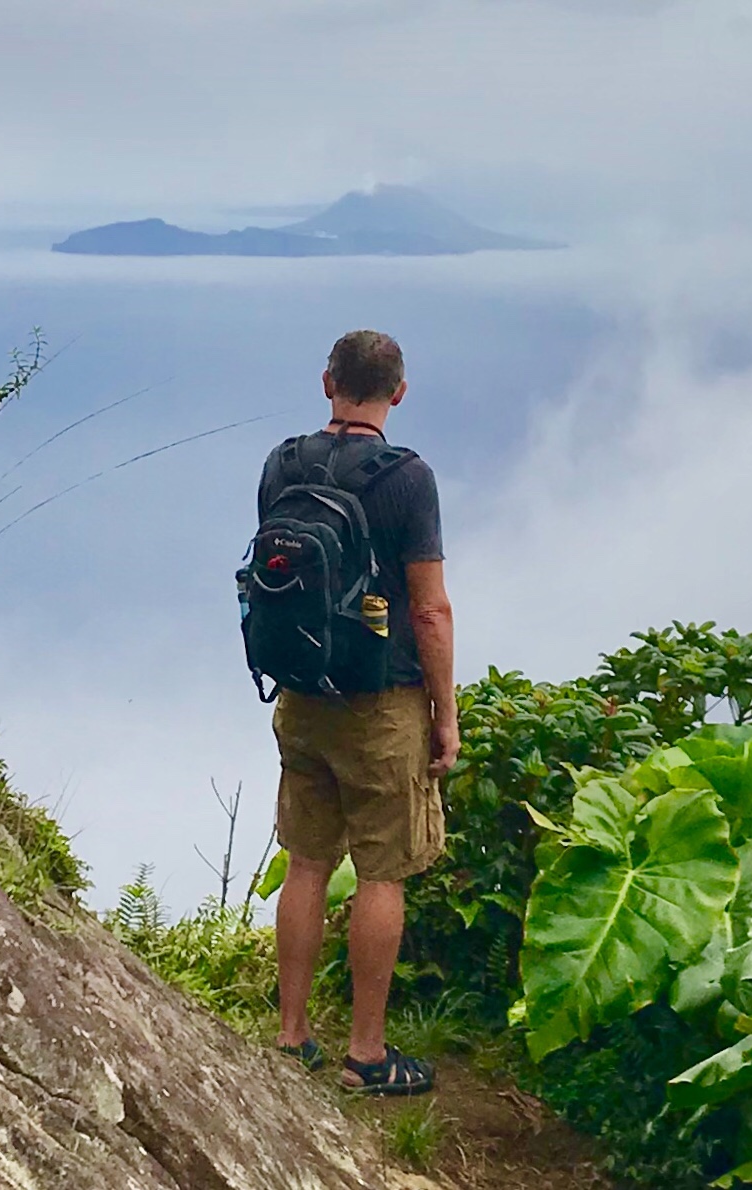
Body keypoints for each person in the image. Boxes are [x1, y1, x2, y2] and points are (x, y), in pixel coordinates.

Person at [262, 330, 458, 1095]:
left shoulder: (283, 464)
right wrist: (445, 714)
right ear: (398, 392)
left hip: (302, 692)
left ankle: (291, 1037)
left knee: (307, 861)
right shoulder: (408, 479)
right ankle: (366, 1056)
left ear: (327, 383)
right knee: (382, 872)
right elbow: (430, 610)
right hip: (383, 703)